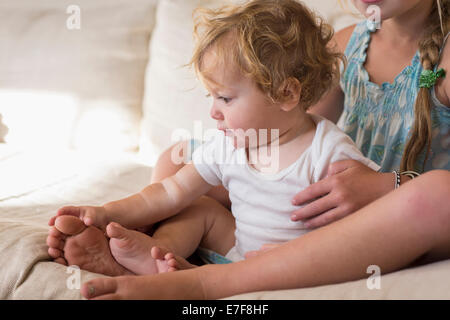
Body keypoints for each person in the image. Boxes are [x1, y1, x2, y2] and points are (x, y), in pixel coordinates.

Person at [53, 0, 450, 300]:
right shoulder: (350, 42)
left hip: (393, 215)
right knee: (178, 158)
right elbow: (292, 131)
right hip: (328, 199)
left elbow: (324, 146)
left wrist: (386, 186)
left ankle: (200, 283)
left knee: (439, 196)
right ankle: (149, 248)